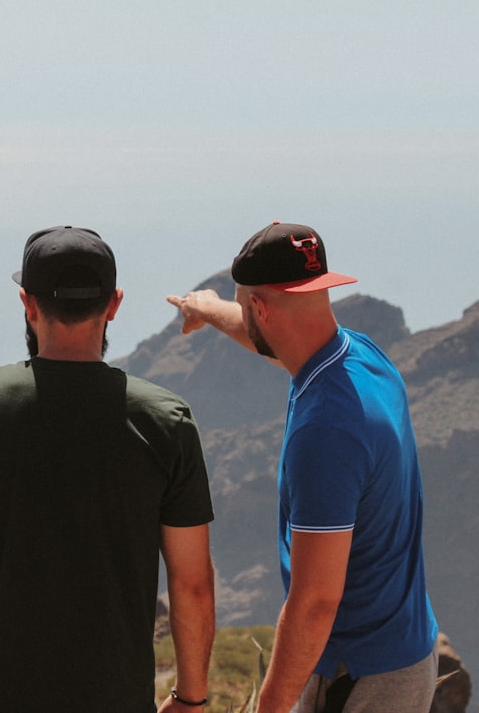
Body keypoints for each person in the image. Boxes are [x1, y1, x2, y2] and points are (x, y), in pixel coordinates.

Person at [0, 226, 216, 713]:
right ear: (113, 305)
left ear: (28, 303)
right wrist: (191, 698)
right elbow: (191, 582)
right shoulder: (165, 420)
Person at [166, 222, 438, 713]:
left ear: (262, 308)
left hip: (357, 679)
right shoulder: (361, 357)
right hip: (405, 653)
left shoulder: (325, 431)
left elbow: (315, 605)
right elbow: (266, 337)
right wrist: (206, 309)